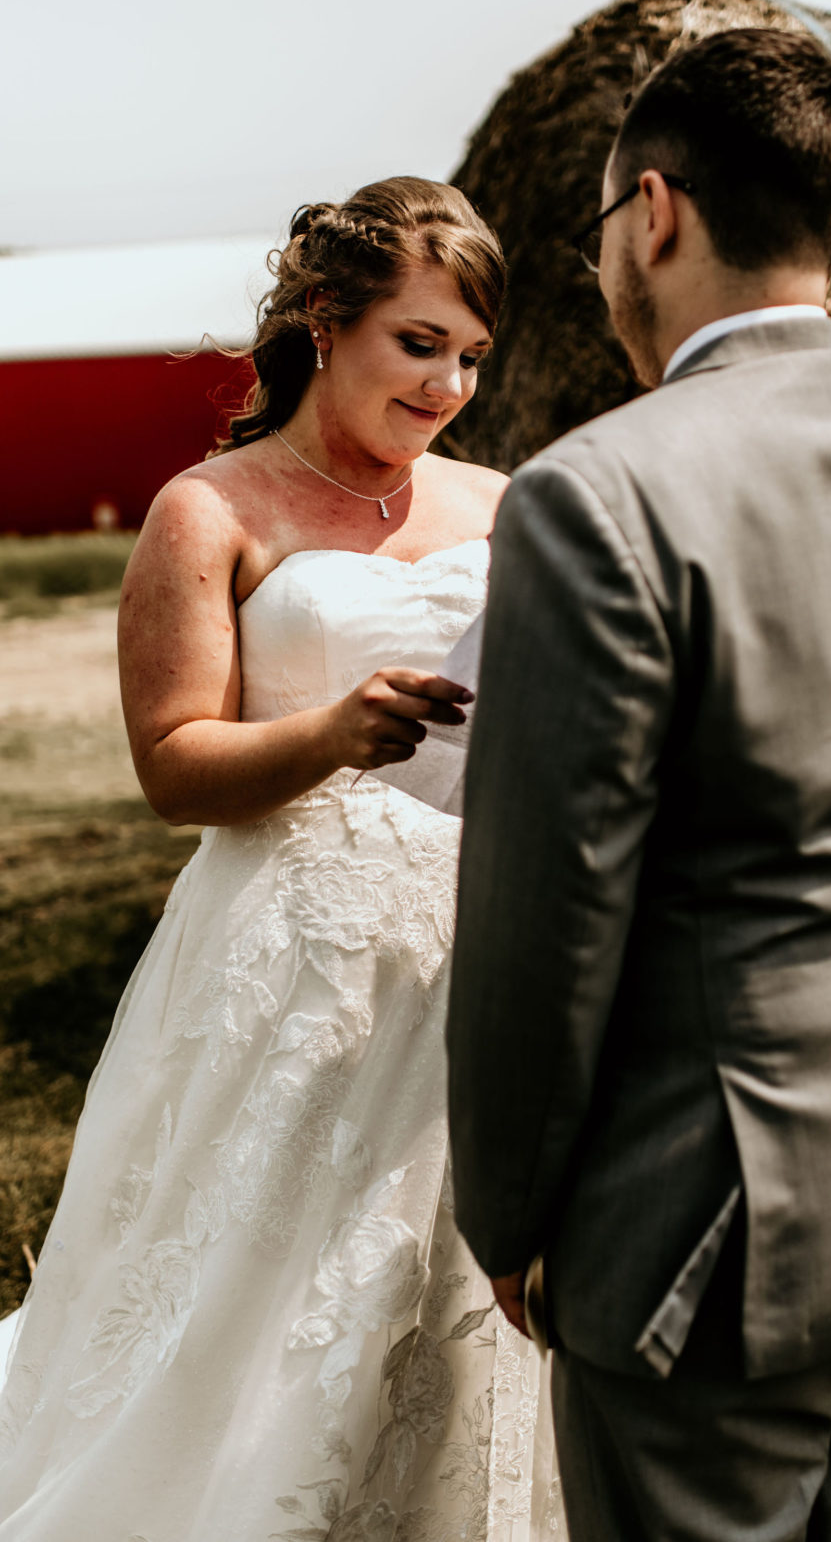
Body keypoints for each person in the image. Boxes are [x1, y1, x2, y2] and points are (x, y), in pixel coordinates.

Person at [446, 30, 831, 1542]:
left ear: (653, 215)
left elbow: (543, 917)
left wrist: (507, 1216)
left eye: (600, 231)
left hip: (713, 1206)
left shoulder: (595, 495)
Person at [0, 178, 562, 1541]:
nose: (447, 387)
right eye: (418, 344)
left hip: (480, 940)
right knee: (264, 1301)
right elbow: (169, 765)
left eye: (471, 356)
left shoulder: (507, 502)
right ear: (325, 320)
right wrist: (332, 734)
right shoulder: (208, 509)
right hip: (293, 963)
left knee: (451, 1279)